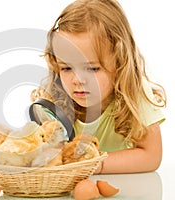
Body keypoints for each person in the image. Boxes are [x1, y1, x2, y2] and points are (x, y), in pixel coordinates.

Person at [32, 0, 166, 174]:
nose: (77, 80)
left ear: (120, 62)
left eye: (92, 68)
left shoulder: (135, 93)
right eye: (66, 68)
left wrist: (94, 164)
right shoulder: (56, 98)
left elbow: (151, 156)